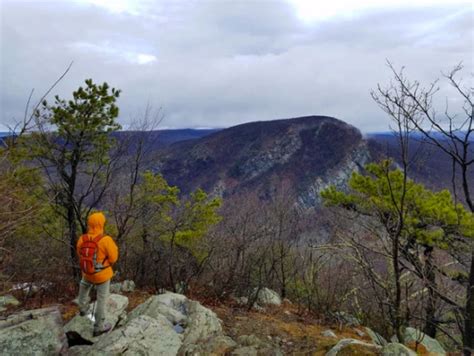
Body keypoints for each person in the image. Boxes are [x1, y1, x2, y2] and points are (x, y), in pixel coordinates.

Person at [76, 211, 118, 337]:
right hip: (102, 275)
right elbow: (113, 258)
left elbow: (80, 253)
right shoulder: (106, 240)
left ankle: (83, 310)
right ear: (101, 224)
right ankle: (99, 327)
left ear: (89, 224)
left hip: (87, 273)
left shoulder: (82, 239)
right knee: (101, 300)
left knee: (83, 288)